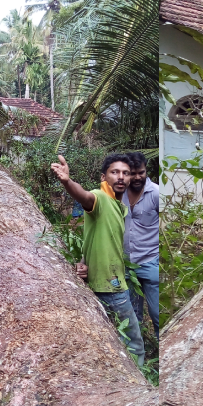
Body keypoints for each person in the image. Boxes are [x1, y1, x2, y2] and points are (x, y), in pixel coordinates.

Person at [51, 153, 145, 366]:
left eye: (125, 173)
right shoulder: (100, 198)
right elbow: (85, 196)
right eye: (115, 172)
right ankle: (140, 385)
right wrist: (67, 182)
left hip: (110, 283)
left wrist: (84, 261)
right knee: (134, 344)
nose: (121, 177)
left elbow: (94, 238)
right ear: (104, 178)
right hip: (112, 289)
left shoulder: (118, 206)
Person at [123, 152, 160, 339]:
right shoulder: (118, 194)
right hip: (127, 264)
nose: (138, 177)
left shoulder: (156, 194)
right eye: (133, 173)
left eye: (142, 172)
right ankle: (136, 357)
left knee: (157, 314)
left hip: (151, 261)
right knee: (131, 317)